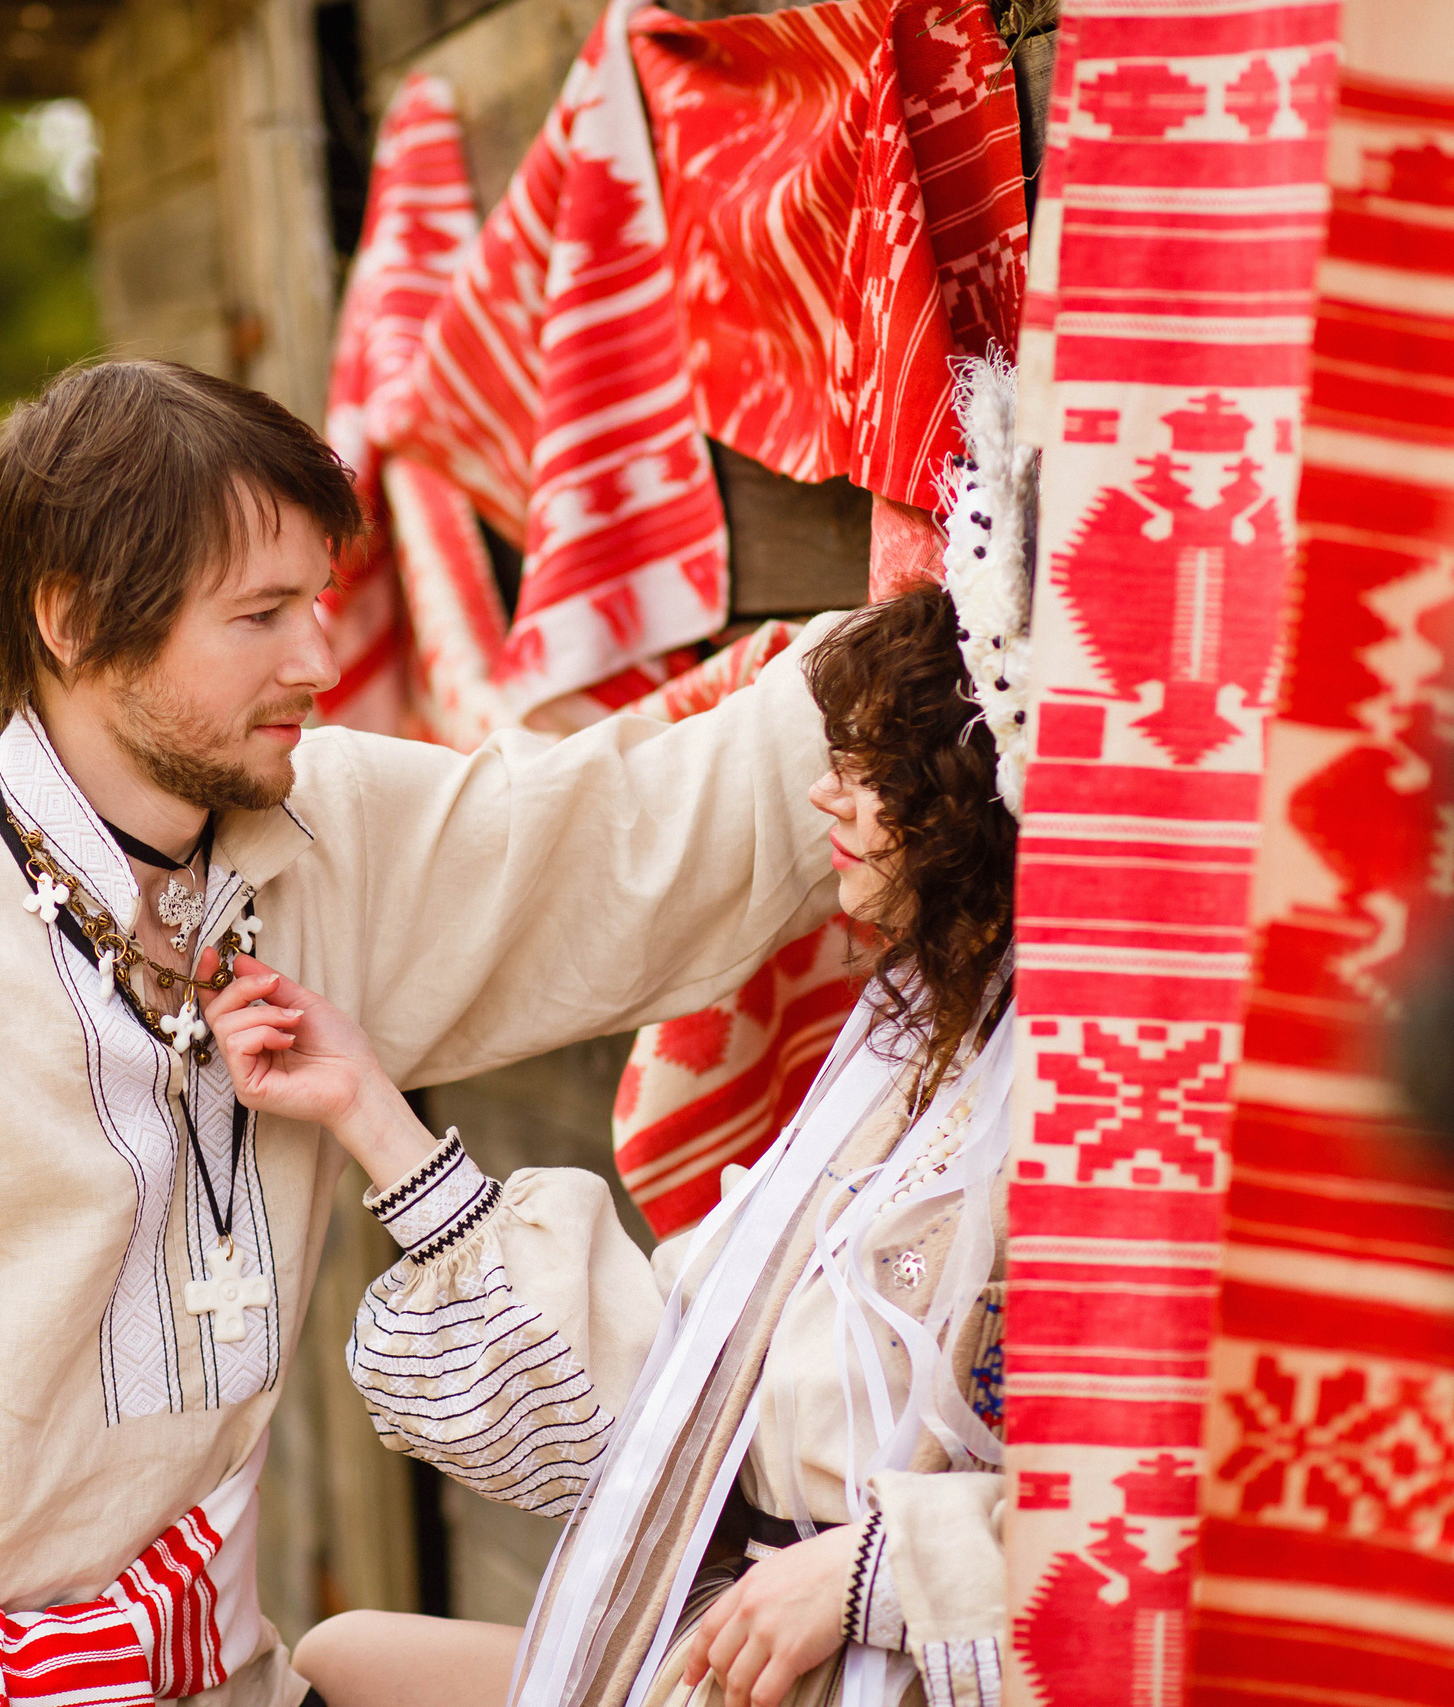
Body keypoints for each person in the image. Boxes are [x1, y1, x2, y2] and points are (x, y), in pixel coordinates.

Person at [0, 358, 847, 1707]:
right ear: (76, 617)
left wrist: (934, 648)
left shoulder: (332, 835)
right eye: (259, 615)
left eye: (315, 602)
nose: (318, 659)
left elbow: (625, 847)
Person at [206, 581, 1023, 1707]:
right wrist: (366, 1109)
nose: (823, 793)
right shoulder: (900, 1050)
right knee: (342, 1660)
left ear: (964, 797)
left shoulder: (1053, 1115)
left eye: (872, 765)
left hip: (893, 1661)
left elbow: (1162, 1522)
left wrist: (871, 1573)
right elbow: (650, 1399)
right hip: (756, 1637)